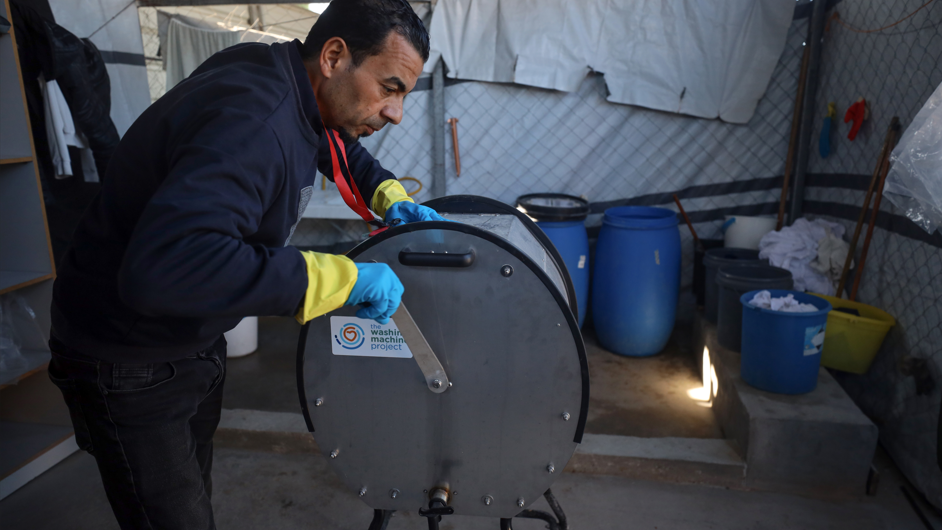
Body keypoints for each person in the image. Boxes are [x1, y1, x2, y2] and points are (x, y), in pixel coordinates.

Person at [46, 0, 441, 527]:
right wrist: (338, 277)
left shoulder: (282, 73)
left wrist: (386, 193)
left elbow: (331, 136)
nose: (395, 111)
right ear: (333, 56)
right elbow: (170, 265)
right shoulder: (252, 121)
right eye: (390, 87)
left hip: (192, 337)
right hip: (127, 354)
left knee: (193, 492)